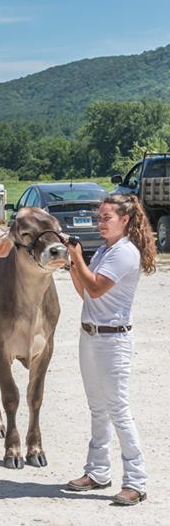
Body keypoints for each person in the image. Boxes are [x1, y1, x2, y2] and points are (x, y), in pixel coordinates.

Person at [64, 193, 154, 506]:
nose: (99, 223)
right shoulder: (105, 250)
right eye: (99, 217)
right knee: (97, 407)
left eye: (106, 217)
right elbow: (87, 293)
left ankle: (136, 481)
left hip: (113, 340)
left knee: (117, 408)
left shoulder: (125, 252)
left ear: (125, 220)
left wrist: (77, 258)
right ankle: (98, 471)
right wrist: (72, 264)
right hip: (91, 335)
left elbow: (97, 286)